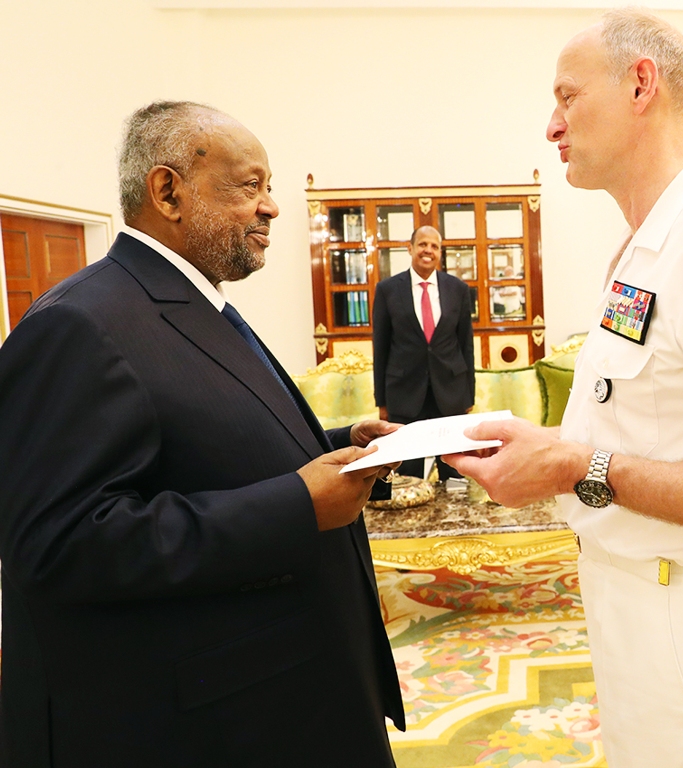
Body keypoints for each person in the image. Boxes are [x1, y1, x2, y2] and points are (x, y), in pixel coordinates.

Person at [445, 9, 683, 768]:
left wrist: (574, 467)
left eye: (568, 96)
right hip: (634, 595)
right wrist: (547, 445)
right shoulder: (648, 247)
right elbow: (643, 429)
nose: (552, 126)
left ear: (641, 84)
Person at [0, 101, 404, 767]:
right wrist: (297, 505)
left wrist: (336, 442)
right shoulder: (81, 323)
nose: (272, 207)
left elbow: (199, 444)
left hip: (289, 694)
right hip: (213, 722)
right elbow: (56, 542)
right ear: (168, 191)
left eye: (270, 187)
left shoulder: (192, 303)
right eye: (251, 186)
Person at [373, 225, 475, 480]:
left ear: (440, 252)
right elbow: (380, 348)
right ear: (410, 248)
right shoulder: (387, 290)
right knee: (408, 475)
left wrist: (468, 395)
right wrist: (382, 402)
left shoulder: (458, 289)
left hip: (450, 392)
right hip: (404, 393)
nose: (428, 250)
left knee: (455, 473)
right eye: (422, 244)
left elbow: (466, 345)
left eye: (434, 246)